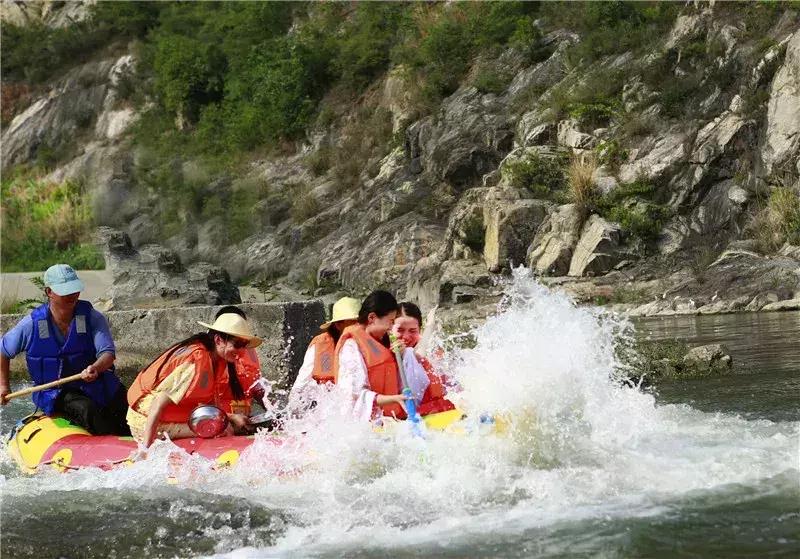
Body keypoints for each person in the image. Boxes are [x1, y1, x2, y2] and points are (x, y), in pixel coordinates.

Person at [0, 264, 130, 435]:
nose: (72, 295)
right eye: (65, 291)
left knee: (125, 399)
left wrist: (95, 368)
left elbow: (107, 353)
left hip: (93, 382)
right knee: (87, 409)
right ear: (49, 292)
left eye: (74, 290)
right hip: (55, 392)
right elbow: (3, 351)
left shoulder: (92, 317)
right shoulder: (31, 325)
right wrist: (3, 385)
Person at [126, 309, 262, 448]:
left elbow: (208, 407)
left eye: (244, 346)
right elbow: (157, 404)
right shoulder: (194, 362)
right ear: (218, 340)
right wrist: (145, 449)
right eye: (237, 345)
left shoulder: (217, 359)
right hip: (146, 422)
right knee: (223, 430)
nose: (242, 351)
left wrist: (232, 417)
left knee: (224, 426)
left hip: (172, 418)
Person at [333, 290, 409, 422]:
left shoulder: (383, 342)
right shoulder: (351, 346)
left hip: (387, 420)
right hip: (363, 427)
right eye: (390, 322)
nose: (391, 328)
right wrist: (394, 399)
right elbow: (354, 395)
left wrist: (402, 356)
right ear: (372, 318)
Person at [287, 296, 360, 409]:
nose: (357, 327)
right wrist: (292, 412)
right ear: (338, 325)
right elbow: (300, 385)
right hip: (329, 408)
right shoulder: (320, 344)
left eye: (359, 323)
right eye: (352, 323)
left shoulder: (368, 343)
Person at [392, 302, 456, 416]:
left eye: (412, 331)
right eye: (400, 330)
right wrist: (430, 326)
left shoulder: (432, 351)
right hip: (402, 415)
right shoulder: (383, 352)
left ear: (420, 330)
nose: (406, 337)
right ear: (389, 328)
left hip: (435, 412)